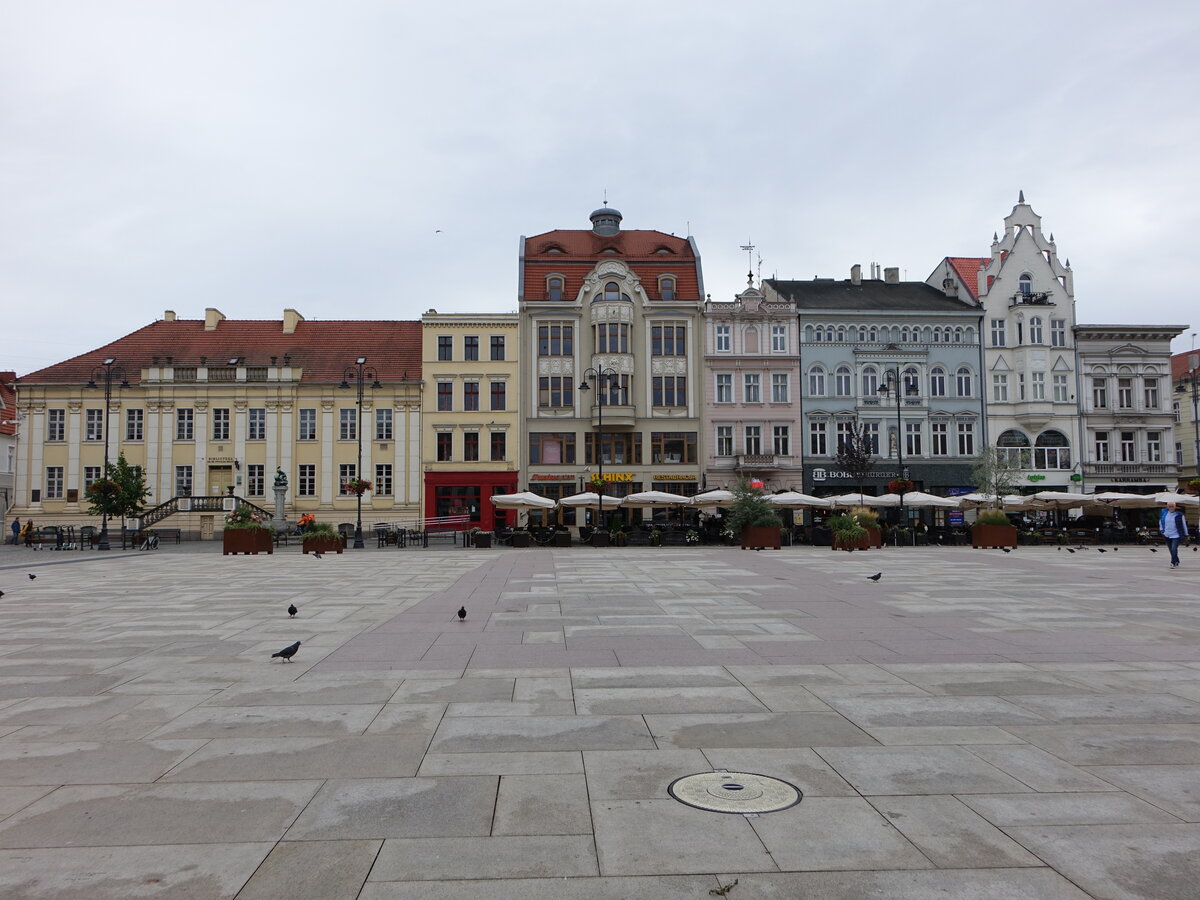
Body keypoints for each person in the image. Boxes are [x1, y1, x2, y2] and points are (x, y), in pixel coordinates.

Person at [1159, 501, 1189, 570]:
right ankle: (1176, 560)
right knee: (1171, 550)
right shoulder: (1164, 513)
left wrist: (1186, 534)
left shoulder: (1179, 515)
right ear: (1167, 507)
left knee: (1174, 549)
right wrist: (1161, 530)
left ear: (1175, 507)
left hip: (1176, 535)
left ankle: (1173, 562)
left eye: (1172, 506)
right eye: (1169, 506)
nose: (1171, 507)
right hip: (1166, 534)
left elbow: (1184, 525)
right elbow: (1161, 522)